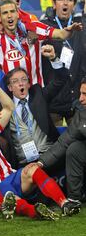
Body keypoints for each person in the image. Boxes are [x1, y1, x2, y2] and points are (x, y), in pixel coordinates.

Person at [0, 71, 81, 219]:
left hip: (12, 176)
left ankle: (65, 204)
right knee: (10, 197)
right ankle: (36, 213)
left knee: (33, 169)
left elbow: (8, 108)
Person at [0, 0, 82, 87]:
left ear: (18, 14)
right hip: (10, 95)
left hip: (36, 94)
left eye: (12, 11)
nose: (9, 15)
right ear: (0, 18)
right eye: (5, 13)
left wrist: (70, 31)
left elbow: (60, 34)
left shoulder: (33, 29)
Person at [40, 0, 86, 126]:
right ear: (54, 4)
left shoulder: (82, 27)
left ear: (74, 5)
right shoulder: (43, 27)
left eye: (70, 0)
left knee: (79, 144)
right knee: (55, 144)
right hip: (53, 100)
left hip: (77, 99)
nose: (65, 3)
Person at [3, 66, 66, 168]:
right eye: (15, 81)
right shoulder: (4, 107)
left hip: (48, 155)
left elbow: (61, 79)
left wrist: (54, 59)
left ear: (28, 84)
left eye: (24, 80)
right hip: (23, 163)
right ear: (10, 87)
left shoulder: (39, 94)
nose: (21, 83)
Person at [38, 78, 86, 207]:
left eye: (85, 94)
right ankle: (75, 198)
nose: (80, 99)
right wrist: (41, 162)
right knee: (75, 149)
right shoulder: (82, 114)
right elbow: (64, 141)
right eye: (81, 93)